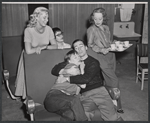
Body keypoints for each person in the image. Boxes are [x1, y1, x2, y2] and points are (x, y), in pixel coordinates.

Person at [51, 39, 124, 121]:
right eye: (76, 47)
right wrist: (66, 71)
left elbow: (86, 79)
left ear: (86, 47)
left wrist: (67, 78)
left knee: (112, 118)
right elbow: (54, 69)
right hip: (84, 95)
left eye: (81, 46)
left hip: (98, 91)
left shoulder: (93, 62)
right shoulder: (73, 60)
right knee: (81, 115)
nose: (79, 49)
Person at [15, 7, 58, 99]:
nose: (46, 20)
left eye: (47, 18)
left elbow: (55, 46)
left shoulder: (49, 29)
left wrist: (44, 47)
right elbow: (28, 51)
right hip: (29, 59)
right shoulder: (28, 30)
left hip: (43, 56)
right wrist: (39, 48)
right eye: (44, 17)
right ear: (37, 17)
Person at [86, 7, 123, 113]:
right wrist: (102, 50)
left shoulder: (106, 27)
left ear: (104, 18)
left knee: (108, 80)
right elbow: (90, 45)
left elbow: (108, 41)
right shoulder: (91, 29)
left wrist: (114, 44)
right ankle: (118, 106)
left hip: (111, 55)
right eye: (95, 18)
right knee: (114, 80)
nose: (97, 21)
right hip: (100, 56)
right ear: (92, 18)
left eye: (100, 19)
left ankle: (110, 104)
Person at [44, 50, 87, 121]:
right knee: (74, 100)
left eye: (78, 56)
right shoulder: (72, 67)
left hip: (61, 104)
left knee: (71, 114)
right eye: (75, 57)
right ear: (69, 61)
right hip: (53, 97)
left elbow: (77, 92)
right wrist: (82, 69)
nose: (78, 58)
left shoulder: (76, 72)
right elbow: (83, 85)